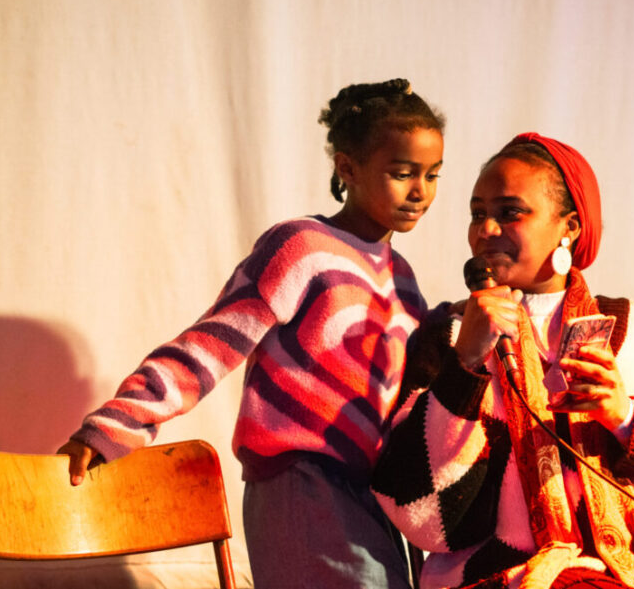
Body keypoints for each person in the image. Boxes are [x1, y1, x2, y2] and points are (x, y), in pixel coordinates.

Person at [57, 78, 446, 589]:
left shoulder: (404, 280)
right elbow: (209, 345)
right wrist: (115, 425)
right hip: (301, 482)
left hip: (372, 495)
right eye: (402, 173)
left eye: (433, 175)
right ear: (347, 168)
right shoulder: (302, 247)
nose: (421, 192)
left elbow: (407, 401)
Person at [372, 133, 634, 589]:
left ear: (570, 227)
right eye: (478, 214)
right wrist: (466, 366)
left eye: (509, 212)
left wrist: (627, 419)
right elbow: (420, 513)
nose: (486, 229)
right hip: (514, 568)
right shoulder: (449, 337)